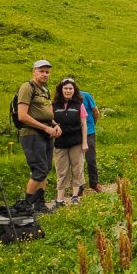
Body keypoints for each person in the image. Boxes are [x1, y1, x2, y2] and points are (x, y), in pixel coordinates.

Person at [16, 60, 58, 213]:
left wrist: (54, 125)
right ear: (34, 71)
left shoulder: (45, 90)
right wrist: (46, 128)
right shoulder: (27, 87)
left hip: (46, 133)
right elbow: (22, 116)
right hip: (32, 133)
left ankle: (39, 204)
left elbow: (46, 114)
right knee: (39, 169)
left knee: (45, 169)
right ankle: (26, 205)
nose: (45, 74)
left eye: (47, 71)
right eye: (42, 71)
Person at [51, 78, 88, 207]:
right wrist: (55, 125)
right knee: (61, 170)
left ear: (74, 90)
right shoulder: (54, 105)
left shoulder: (79, 104)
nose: (68, 91)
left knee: (77, 168)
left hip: (76, 142)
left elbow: (84, 124)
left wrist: (84, 143)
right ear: (61, 90)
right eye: (65, 88)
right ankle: (60, 200)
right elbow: (49, 119)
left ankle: (75, 196)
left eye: (70, 88)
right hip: (60, 143)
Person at [79, 84, 102, 193]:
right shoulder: (66, 98)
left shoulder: (85, 96)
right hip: (74, 133)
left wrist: (92, 124)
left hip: (89, 132)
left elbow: (96, 111)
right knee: (77, 161)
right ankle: (79, 187)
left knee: (91, 159)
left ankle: (94, 183)